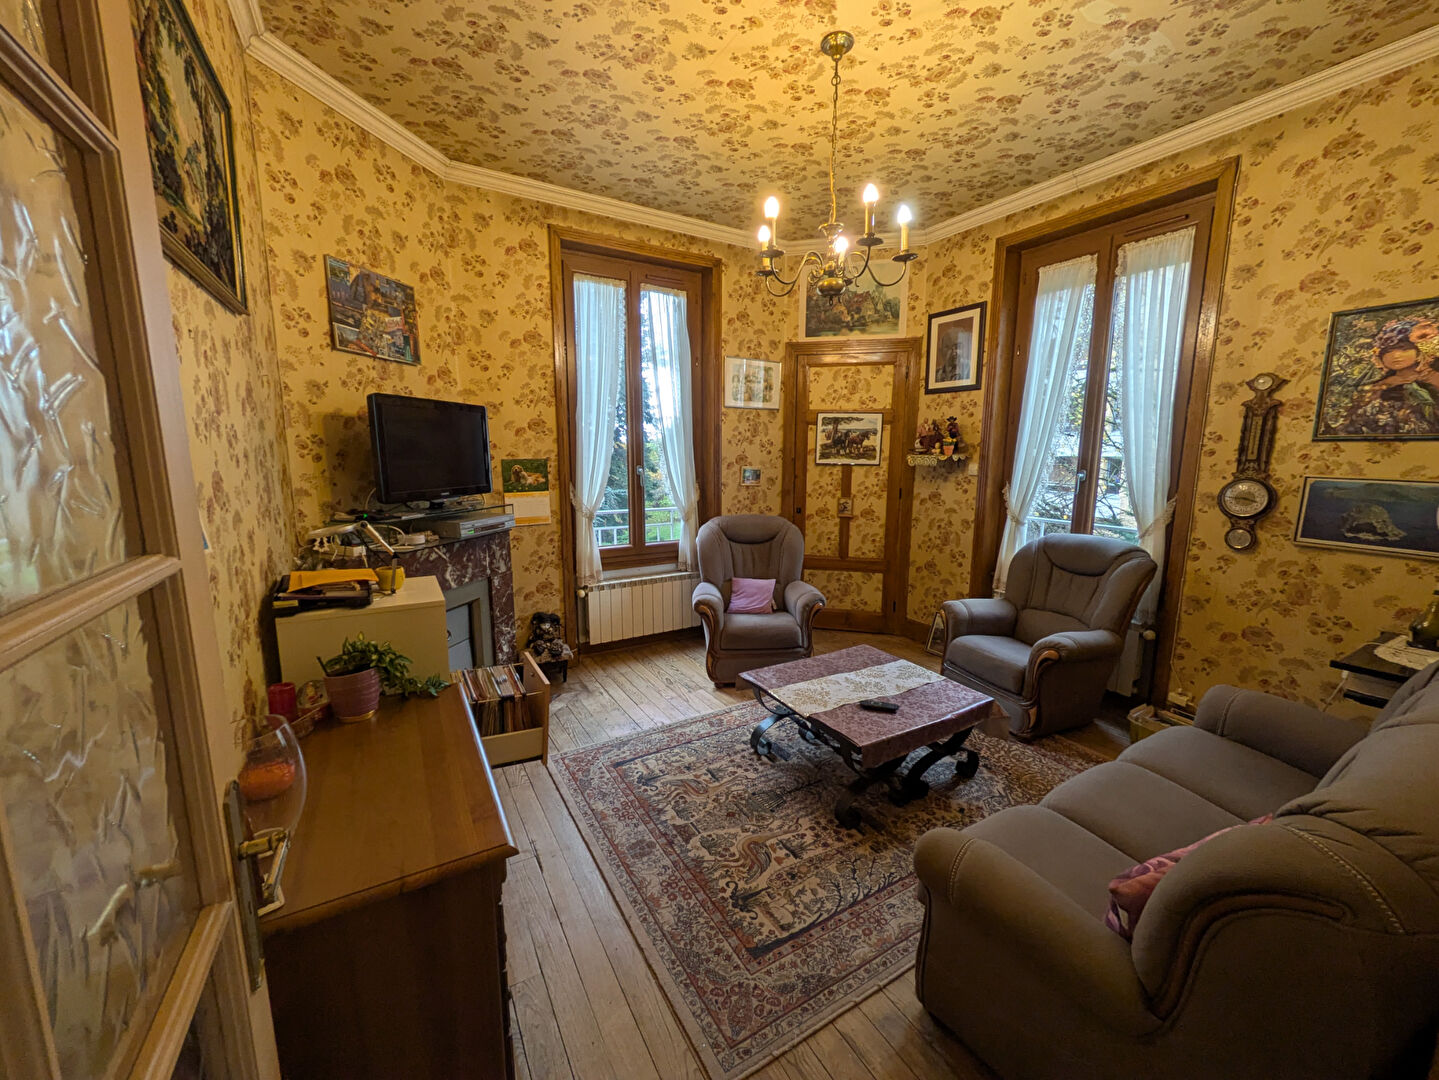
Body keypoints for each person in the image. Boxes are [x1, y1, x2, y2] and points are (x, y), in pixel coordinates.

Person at [1337, 319, 1439, 436]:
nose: (1395, 355)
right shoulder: (1379, 386)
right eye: (1388, 351)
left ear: (1420, 350)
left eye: (1403, 348)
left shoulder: (1433, 378)